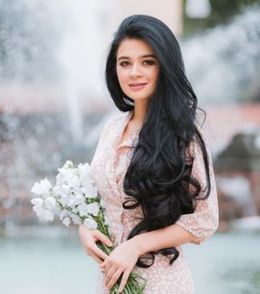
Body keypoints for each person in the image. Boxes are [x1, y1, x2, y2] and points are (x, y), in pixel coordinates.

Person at [78, 15, 219, 294]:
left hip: (161, 281)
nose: (134, 73)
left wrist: (137, 245)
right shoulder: (111, 129)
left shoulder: (184, 134)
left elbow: (205, 220)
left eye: (148, 62)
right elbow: (99, 196)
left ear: (164, 66)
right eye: (125, 63)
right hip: (112, 280)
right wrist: (84, 230)